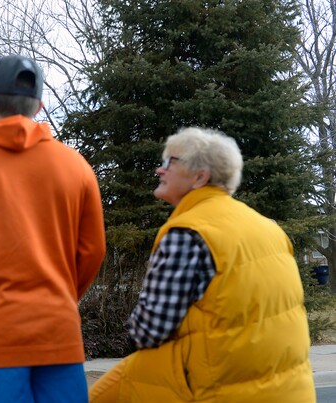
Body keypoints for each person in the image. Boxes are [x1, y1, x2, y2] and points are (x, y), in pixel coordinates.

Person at [88, 127, 315, 402]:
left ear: (200, 177)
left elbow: (149, 331)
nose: (160, 170)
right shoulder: (268, 228)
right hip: (291, 391)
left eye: (170, 161)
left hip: (216, 390)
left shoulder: (187, 233)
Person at [0, 55, 106, 402]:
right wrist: (61, 299)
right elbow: (93, 251)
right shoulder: (76, 166)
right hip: (58, 331)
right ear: (38, 105)